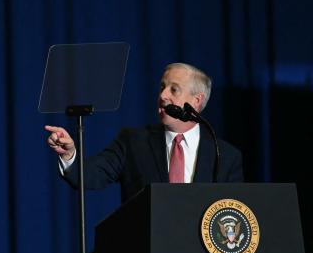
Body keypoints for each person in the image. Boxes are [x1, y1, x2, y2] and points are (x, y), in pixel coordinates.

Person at [46, 62, 243, 202]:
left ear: (196, 101)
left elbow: (233, 215)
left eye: (174, 90)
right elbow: (90, 176)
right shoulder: (133, 142)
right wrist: (69, 155)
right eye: (162, 87)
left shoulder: (225, 156)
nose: (163, 95)